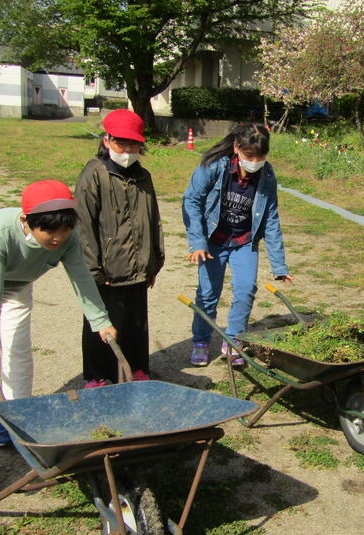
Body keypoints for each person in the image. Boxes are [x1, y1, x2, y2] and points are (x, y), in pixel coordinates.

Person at [0, 180, 117, 446]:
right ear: (25, 221)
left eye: (65, 229)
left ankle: (19, 411)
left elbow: (81, 278)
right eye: (49, 231)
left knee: (17, 347)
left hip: (18, 283)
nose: (57, 238)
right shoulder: (2, 234)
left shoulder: (68, 238)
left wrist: (101, 321)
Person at [182, 123, 292, 367]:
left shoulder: (267, 174)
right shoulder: (214, 166)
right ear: (236, 148)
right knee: (208, 294)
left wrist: (279, 265)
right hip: (214, 241)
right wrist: (197, 242)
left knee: (246, 289)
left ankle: (233, 341)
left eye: (261, 156)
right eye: (249, 156)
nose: (255, 162)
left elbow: (271, 218)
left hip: (244, 241)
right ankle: (200, 341)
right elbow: (192, 200)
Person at [74, 109, 165, 387]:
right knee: (103, 322)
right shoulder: (94, 174)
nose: (126, 150)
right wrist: (94, 269)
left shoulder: (143, 176)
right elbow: (83, 225)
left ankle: (137, 367)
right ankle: (98, 374)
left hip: (139, 264)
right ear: (107, 140)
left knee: (136, 321)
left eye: (133, 144)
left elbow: (153, 219)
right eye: (120, 143)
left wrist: (154, 261)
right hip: (107, 268)